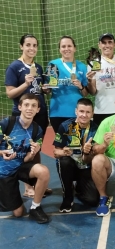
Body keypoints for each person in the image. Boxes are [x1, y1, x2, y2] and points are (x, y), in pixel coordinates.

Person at [4, 34, 52, 199]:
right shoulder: (14, 67)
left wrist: (45, 89)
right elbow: (10, 93)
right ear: (21, 46)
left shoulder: (38, 67)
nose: (32, 48)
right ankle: (27, 187)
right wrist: (25, 83)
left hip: (40, 114)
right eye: (28, 45)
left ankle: (37, 184)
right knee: (23, 149)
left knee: (35, 148)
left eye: (34, 45)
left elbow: (37, 89)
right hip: (22, 116)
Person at [0, 93, 50, 223]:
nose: (30, 108)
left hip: (21, 166)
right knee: (18, 213)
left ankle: (35, 207)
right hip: (4, 171)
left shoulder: (37, 130)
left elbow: (27, 159)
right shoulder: (7, 123)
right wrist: (1, 153)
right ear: (19, 107)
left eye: (34, 106)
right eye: (26, 105)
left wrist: (33, 153)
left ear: (38, 109)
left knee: (43, 171)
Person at [53, 98, 99, 213]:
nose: (84, 115)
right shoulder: (65, 126)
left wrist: (89, 152)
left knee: (93, 200)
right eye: (81, 111)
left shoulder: (96, 128)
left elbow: (97, 154)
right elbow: (55, 152)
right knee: (63, 160)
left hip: (86, 166)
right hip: (70, 166)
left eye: (88, 112)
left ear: (92, 113)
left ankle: (79, 187)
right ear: (76, 111)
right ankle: (68, 195)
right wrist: (65, 152)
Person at [44, 35, 89, 133]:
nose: (66, 49)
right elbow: (48, 90)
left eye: (69, 46)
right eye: (63, 46)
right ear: (59, 49)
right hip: (57, 112)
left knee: (75, 145)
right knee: (60, 146)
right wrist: (46, 88)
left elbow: (85, 94)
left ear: (74, 48)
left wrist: (81, 86)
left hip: (77, 113)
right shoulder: (53, 64)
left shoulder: (82, 66)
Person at [86, 33, 115, 126]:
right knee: (101, 140)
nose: (107, 45)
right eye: (104, 43)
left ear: (114, 44)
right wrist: (89, 81)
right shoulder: (93, 64)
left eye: (110, 42)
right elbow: (93, 92)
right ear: (99, 45)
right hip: (101, 110)